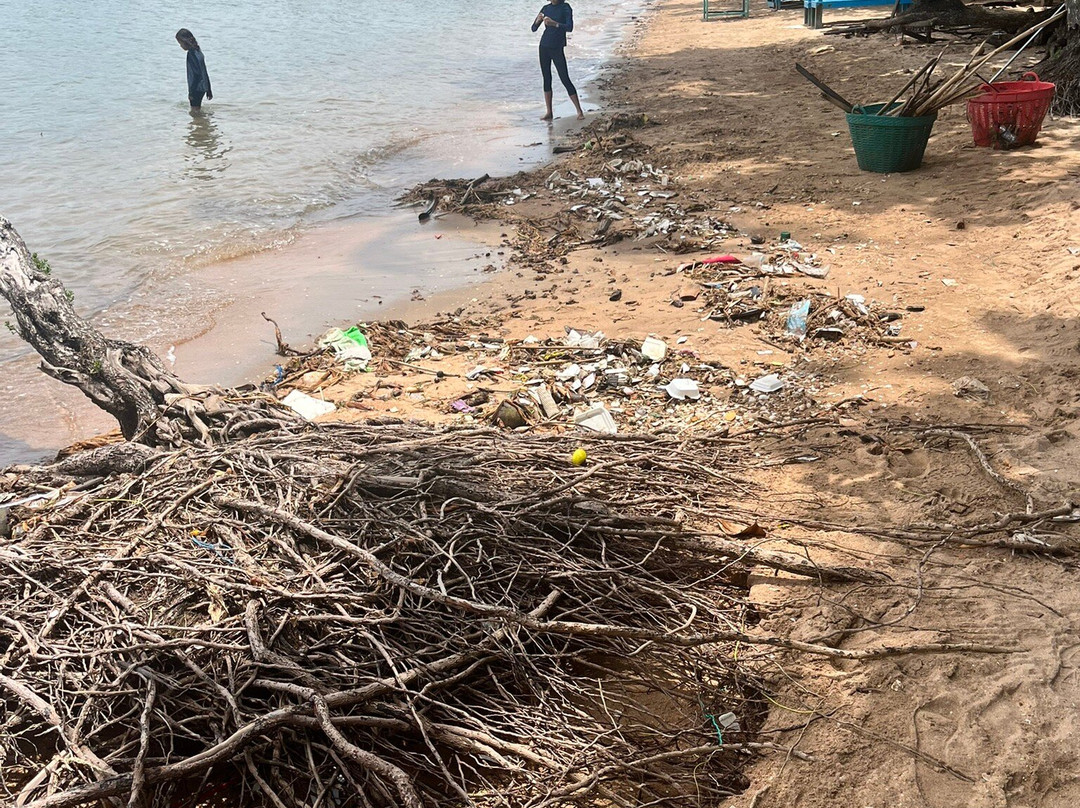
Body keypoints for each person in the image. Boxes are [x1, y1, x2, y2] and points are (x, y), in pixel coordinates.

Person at [531, 1, 585, 121]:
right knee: (546, 78)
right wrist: (538, 20)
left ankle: (579, 111)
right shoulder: (545, 8)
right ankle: (549, 112)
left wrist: (554, 24)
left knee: (564, 78)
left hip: (557, 47)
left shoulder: (565, 8)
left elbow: (569, 27)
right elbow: (533, 28)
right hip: (544, 46)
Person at [176, 29, 212, 109]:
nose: (180, 46)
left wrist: (191, 92)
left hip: (196, 88)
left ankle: (199, 121)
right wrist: (208, 89)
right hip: (203, 87)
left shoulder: (191, 54)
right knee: (197, 109)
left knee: (195, 111)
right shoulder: (198, 51)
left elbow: (195, 75)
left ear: (185, 41)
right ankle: (202, 120)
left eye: (180, 43)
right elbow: (204, 71)